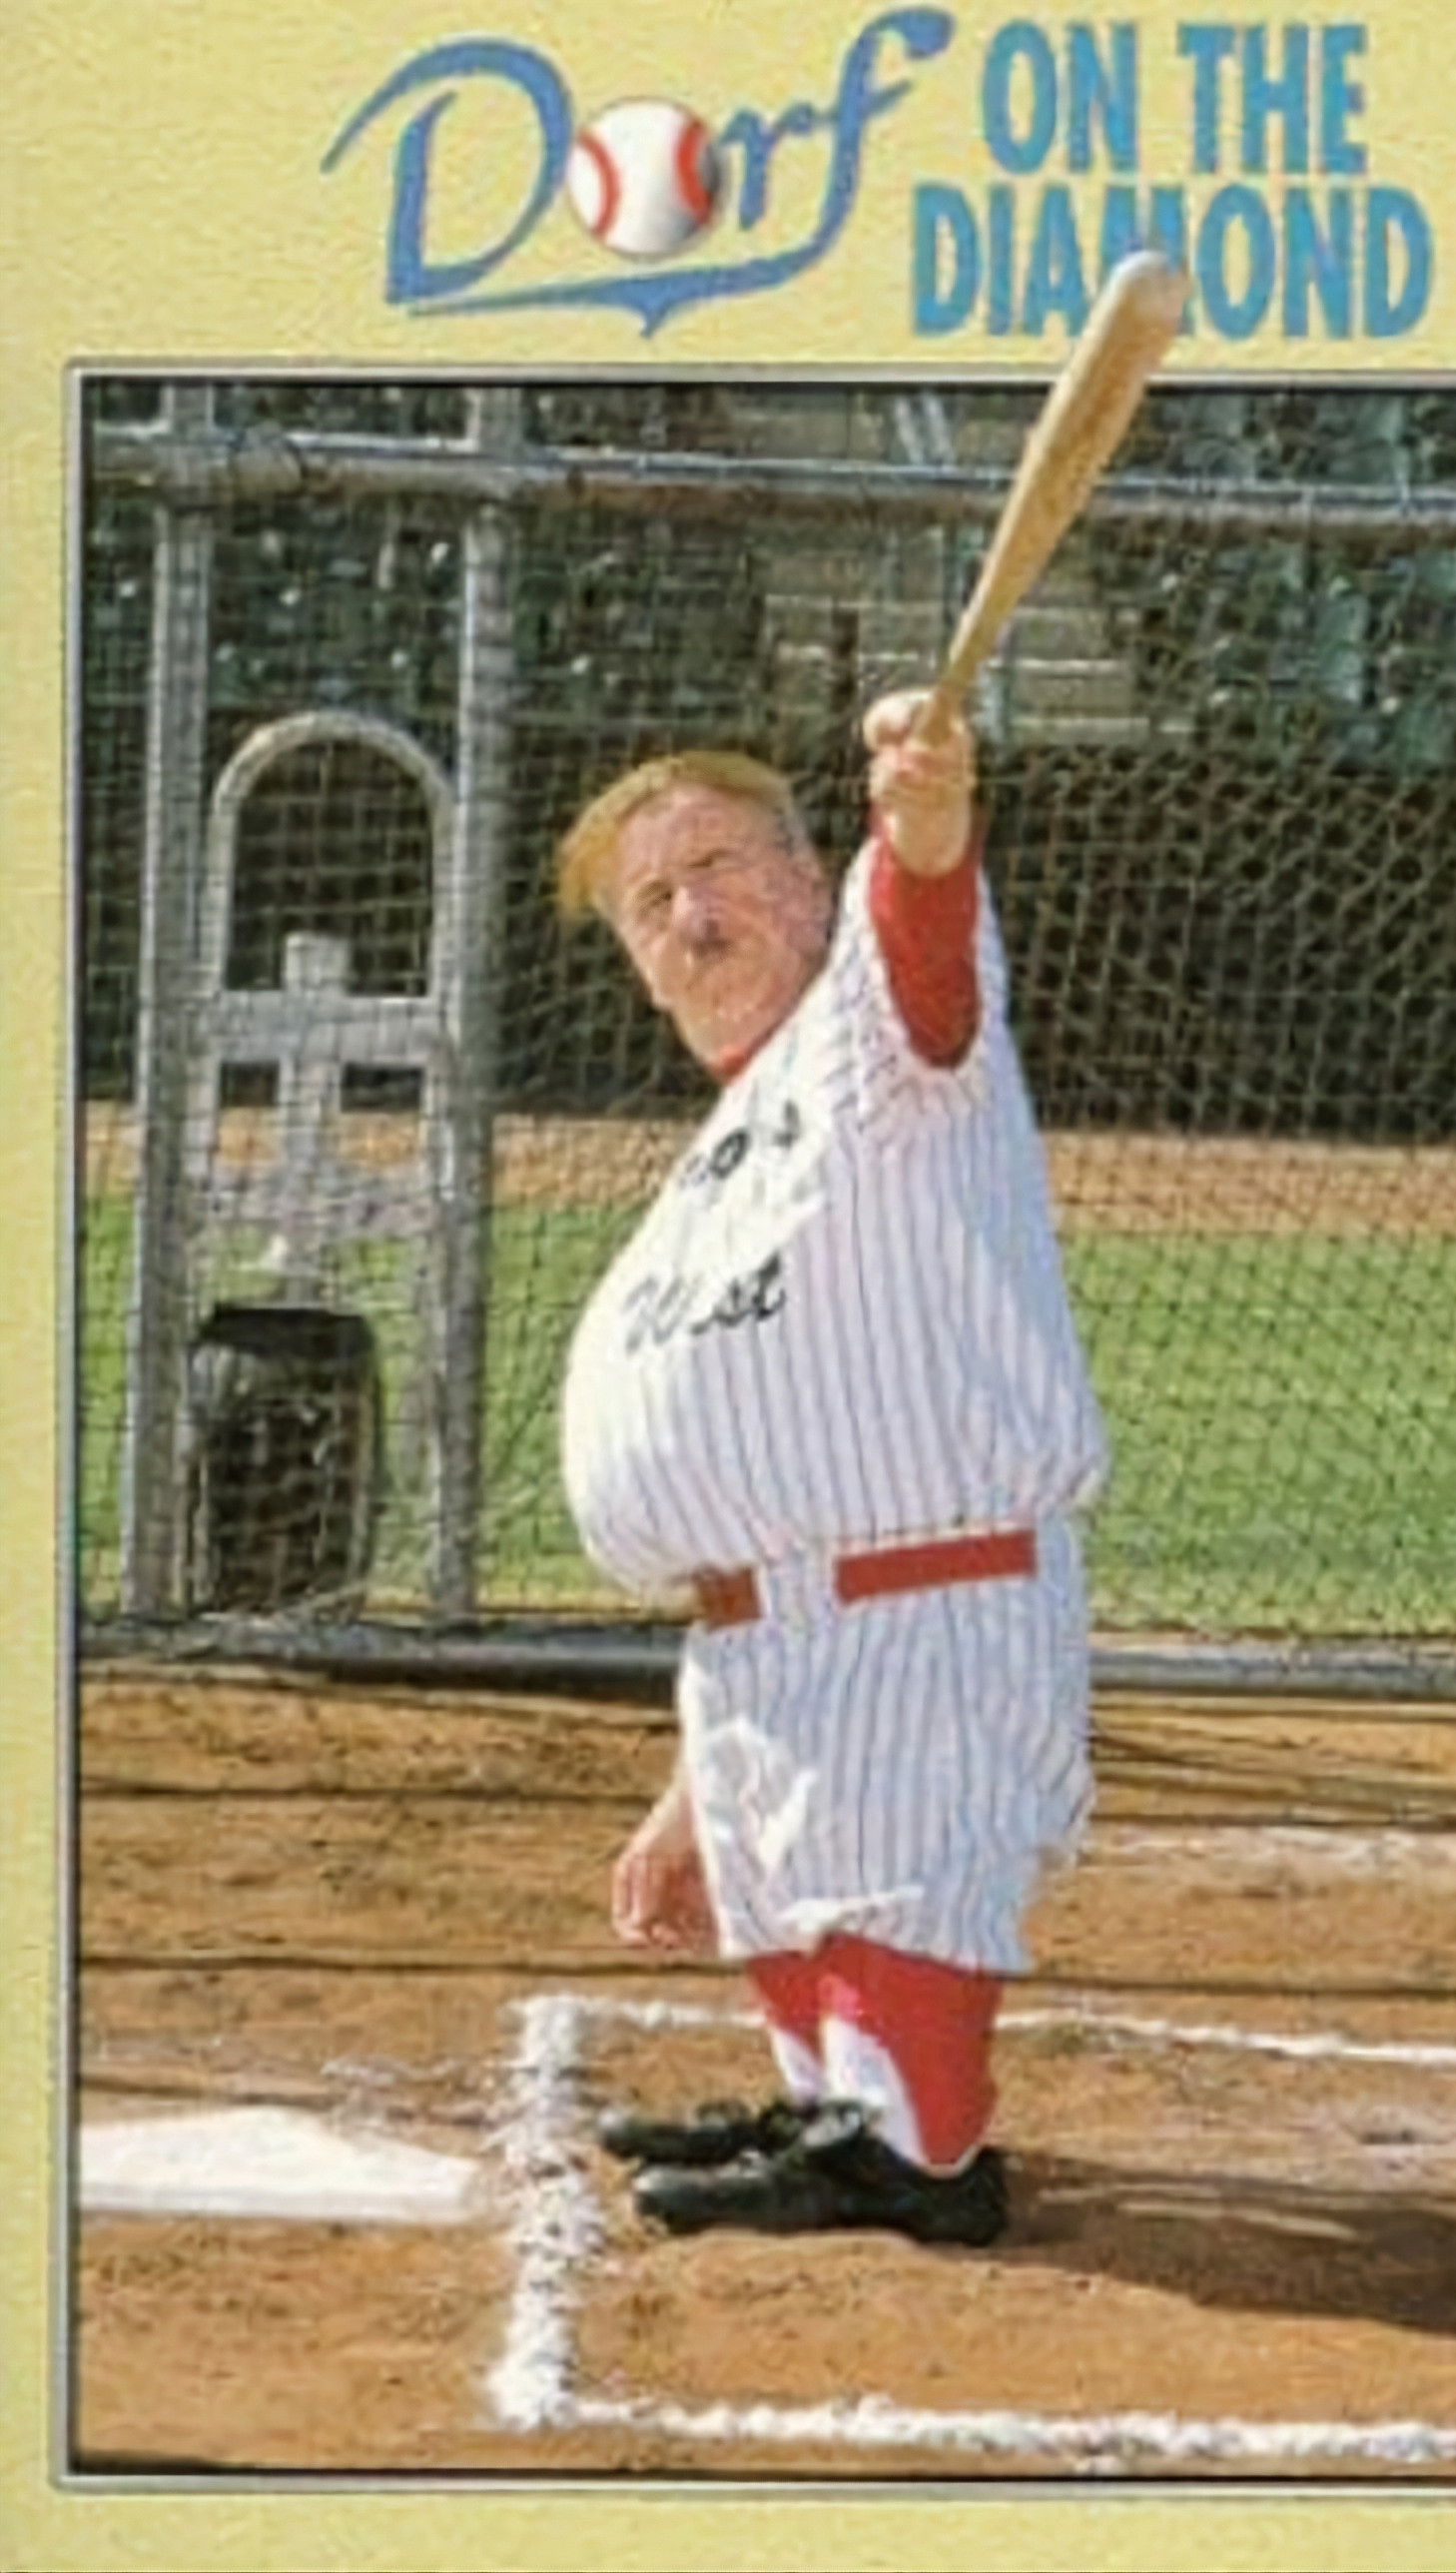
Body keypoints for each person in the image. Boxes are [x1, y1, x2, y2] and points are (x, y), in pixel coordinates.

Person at [555, 691, 1108, 2245]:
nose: (690, 916)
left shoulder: (875, 1042)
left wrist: (924, 815)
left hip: (919, 1604)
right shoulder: (738, 1135)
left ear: (809, 881)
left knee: (899, 1874)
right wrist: (694, 1783)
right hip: (775, 1635)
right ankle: (837, 2114)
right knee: (802, 1886)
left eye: (719, 867)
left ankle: (918, 2158)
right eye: (651, 903)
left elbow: (924, 929)